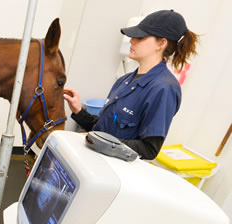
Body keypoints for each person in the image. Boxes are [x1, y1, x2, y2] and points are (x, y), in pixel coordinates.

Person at [64, 9, 198, 160]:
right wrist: (79, 112)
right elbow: (104, 129)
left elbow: (149, 149)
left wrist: (100, 142)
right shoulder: (125, 80)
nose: (132, 40)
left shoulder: (164, 88)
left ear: (161, 43)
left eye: (140, 37)